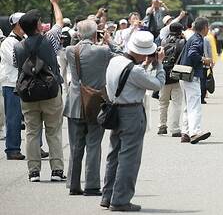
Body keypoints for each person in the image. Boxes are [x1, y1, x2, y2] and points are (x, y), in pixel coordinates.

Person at [101, 31, 166, 211]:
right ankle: (120, 200)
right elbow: (157, 84)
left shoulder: (115, 61)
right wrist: (159, 65)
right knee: (129, 158)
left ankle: (108, 195)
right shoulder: (135, 70)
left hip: (115, 110)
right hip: (131, 113)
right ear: (141, 52)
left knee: (114, 155)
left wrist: (145, 64)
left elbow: (131, 78)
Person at [13, 0, 67, 183]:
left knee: (31, 132)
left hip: (27, 92)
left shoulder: (18, 47)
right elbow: (59, 21)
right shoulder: (50, 38)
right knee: (53, 131)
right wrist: (54, 3)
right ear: (37, 26)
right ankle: (57, 170)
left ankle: (34, 171)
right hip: (51, 91)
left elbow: (17, 65)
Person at [64, 20, 115, 196]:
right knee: (94, 144)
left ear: (78, 34)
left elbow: (75, 45)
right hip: (95, 103)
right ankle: (92, 185)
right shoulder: (103, 51)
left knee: (76, 146)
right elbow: (122, 55)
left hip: (75, 103)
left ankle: (73, 183)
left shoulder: (71, 51)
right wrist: (108, 40)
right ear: (96, 34)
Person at [178, 17, 211, 144]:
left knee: (188, 105)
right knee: (195, 105)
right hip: (192, 76)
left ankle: (185, 132)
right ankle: (195, 132)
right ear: (205, 28)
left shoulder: (192, 37)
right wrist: (204, 59)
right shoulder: (198, 39)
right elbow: (193, 54)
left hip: (184, 74)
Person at [1, 12, 26, 160]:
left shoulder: (26, 39)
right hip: (11, 83)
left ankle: (37, 147)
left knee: (32, 118)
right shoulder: (8, 43)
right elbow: (16, 61)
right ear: (16, 25)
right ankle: (12, 149)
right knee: (14, 118)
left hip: (25, 82)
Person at [157, 23, 186, 137]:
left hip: (163, 75)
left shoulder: (163, 41)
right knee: (176, 103)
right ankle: (175, 129)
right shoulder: (182, 42)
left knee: (163, 103)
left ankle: (161, 126)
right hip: (176, 75)